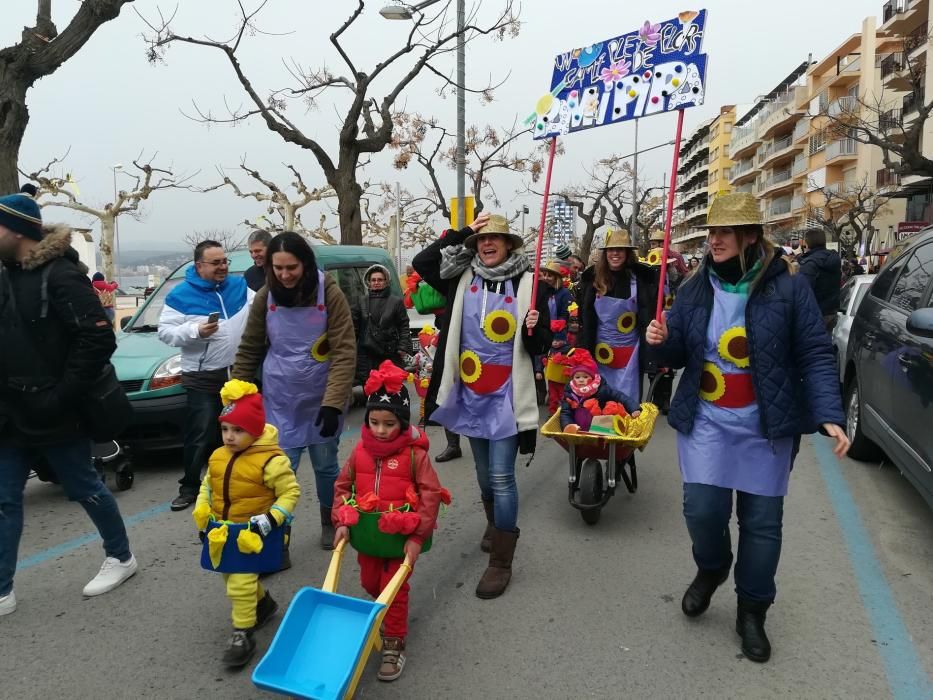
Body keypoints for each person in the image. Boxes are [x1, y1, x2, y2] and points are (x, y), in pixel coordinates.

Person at [645, 192, 849, 664]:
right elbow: (675, 356)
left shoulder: (788, 287)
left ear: (750, 236)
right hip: (708, 422)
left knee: (761, 524)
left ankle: (752, 611)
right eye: (711, 232)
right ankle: (713, 568)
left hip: (766, 425)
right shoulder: (695, 287)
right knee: (701, 510)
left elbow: (815, 353)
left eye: (724, 232)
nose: (714, 240)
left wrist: (829, 414)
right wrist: (659, 341)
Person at [0, 193, 138, 615]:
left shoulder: (61, 276)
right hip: (10, 411)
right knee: (4, 498)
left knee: (83, 487)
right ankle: (2, 588)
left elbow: (97, 338)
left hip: (56, 409)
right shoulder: (4, 276)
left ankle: (121, 557)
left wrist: (61, 396)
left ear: (19, 231)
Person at [413, 212, 552, 599]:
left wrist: (533, 329)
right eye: (482, 240)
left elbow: (540, 344)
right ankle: (494, 523)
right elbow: (423, 262)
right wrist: (464, 232)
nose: (486, 244)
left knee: (502, 476)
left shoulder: (530, 283)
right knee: (482, 472)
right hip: (470, 394)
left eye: (495, 239)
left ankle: (501, 563)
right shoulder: (462, 275)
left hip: (507, 397)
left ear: (509, 244)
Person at [233, 232, 356, 550]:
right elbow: (249, 349)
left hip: (321, 397)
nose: (284, 275)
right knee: (278, 471)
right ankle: (278, 534)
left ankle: (330, 520)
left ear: (306, 263)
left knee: (326, 466)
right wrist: (236, 394)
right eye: (278, 268)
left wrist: (333, 403)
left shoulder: (328, 292)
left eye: (292, 268)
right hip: (281, 399)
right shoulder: (266, 296)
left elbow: (343, 351)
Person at [332, 361, 444, 682]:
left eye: (388, 423)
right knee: (370, 584)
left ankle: (394, 643)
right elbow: (342, 486)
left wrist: (417, 536)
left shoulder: (414, 456)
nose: (380, 430)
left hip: (399, 538)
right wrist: (341, 519)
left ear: (402, 423)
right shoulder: (359, 453)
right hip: (368, 536)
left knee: (393, 591)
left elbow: (430, 494)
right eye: (374, 422)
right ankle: (384, 615)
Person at [192, 380, 300, 667]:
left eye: (238, 430)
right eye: (225, 429)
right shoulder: (218, 456)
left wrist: (273, 517)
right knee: (230, 576)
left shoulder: (271, 461)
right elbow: (209, 484)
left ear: (254, 429)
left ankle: (243, 634)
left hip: (252, 533)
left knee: (239, 583)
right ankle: (263, 605)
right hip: (223, 531)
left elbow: (290, 492)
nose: (229, 437)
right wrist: (203, 505)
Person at [158, 239, 255, 511]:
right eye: (216, 263)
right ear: (199, 266)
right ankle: (189, 486)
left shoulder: (238, 286)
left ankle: (241, 483)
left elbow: (260, 309)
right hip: (202, 377)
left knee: (243, 431)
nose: (223, 267)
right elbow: (165, 333)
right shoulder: (180, 295)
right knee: (200, 433)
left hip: (238, 374)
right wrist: (195, 332)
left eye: (225, 261)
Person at [578, 228, 660, 407]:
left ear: (627, 253)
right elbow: (586, 320)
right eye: (611, 249)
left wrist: (655, 354)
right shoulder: (592, 280)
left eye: (620, 249)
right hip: (600, 357)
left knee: (627, 408)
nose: (615, 253)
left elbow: (647, 318)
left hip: (630, 359)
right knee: (599, 407)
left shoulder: (639, 279)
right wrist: (583, 354)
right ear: (605, 253)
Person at [558, 349, 641, 431]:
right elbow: (565, 412)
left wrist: (633, 408)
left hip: (599, 428)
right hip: (578, 429)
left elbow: (620, 397)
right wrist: (567, 426)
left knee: (612, 408)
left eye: (585, 377)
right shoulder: (570, 393)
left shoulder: (601, 389)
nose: (581, 380)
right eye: (577, 377)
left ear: (593, 378)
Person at [353, 264, 410, 374]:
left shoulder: (396, 302)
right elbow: (354, 328)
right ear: (368, 282)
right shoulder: (361, 302)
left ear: (386, 281)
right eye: (373, 280)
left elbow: (404, 326)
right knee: (370, 387)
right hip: (367, 355)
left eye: (380, 280)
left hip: (390, 353)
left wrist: (402, 347)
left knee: (391, 388)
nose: (376, 282)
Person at [539, 260, 573, 415]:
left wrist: (558, 336)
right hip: (543, 337)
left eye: (549, 275)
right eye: (544, 274)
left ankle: (560, 410)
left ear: (557, 278)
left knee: (559, 379)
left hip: (560, 340)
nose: (546, 278)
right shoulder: (542, 292)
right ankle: (552, 404)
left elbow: (567, 317)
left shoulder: (565, 294)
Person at [798, 228, 842, 333]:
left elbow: (804, 293)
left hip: (814, 314)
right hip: (831, 312)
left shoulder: (810, 264)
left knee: (813, 347)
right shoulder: (834, 259)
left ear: (807, 243)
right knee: (825, 344)